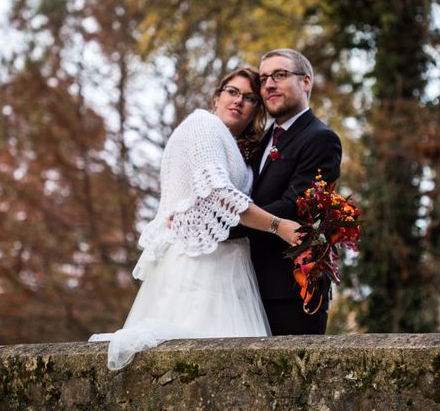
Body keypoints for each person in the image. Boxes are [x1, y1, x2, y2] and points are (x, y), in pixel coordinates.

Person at [89, 67, 302, 370]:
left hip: (231, 267)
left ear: (257, 108)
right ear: (217, 96)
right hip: (198, 264)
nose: (239, 101)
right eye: (232, 92)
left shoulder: (237, 147)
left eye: (249, 97)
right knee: (190, 357)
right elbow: (218, 193)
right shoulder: (203, 124)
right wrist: (278, 225)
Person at [248, 49, 342, 335]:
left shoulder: (320, 139)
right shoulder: (261, 140)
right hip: (248, 285)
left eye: (279, 75)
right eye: (263, 79)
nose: (269, 85)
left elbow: (293, 207)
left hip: (291, 292)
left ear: (306, 82)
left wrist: (227, 221)